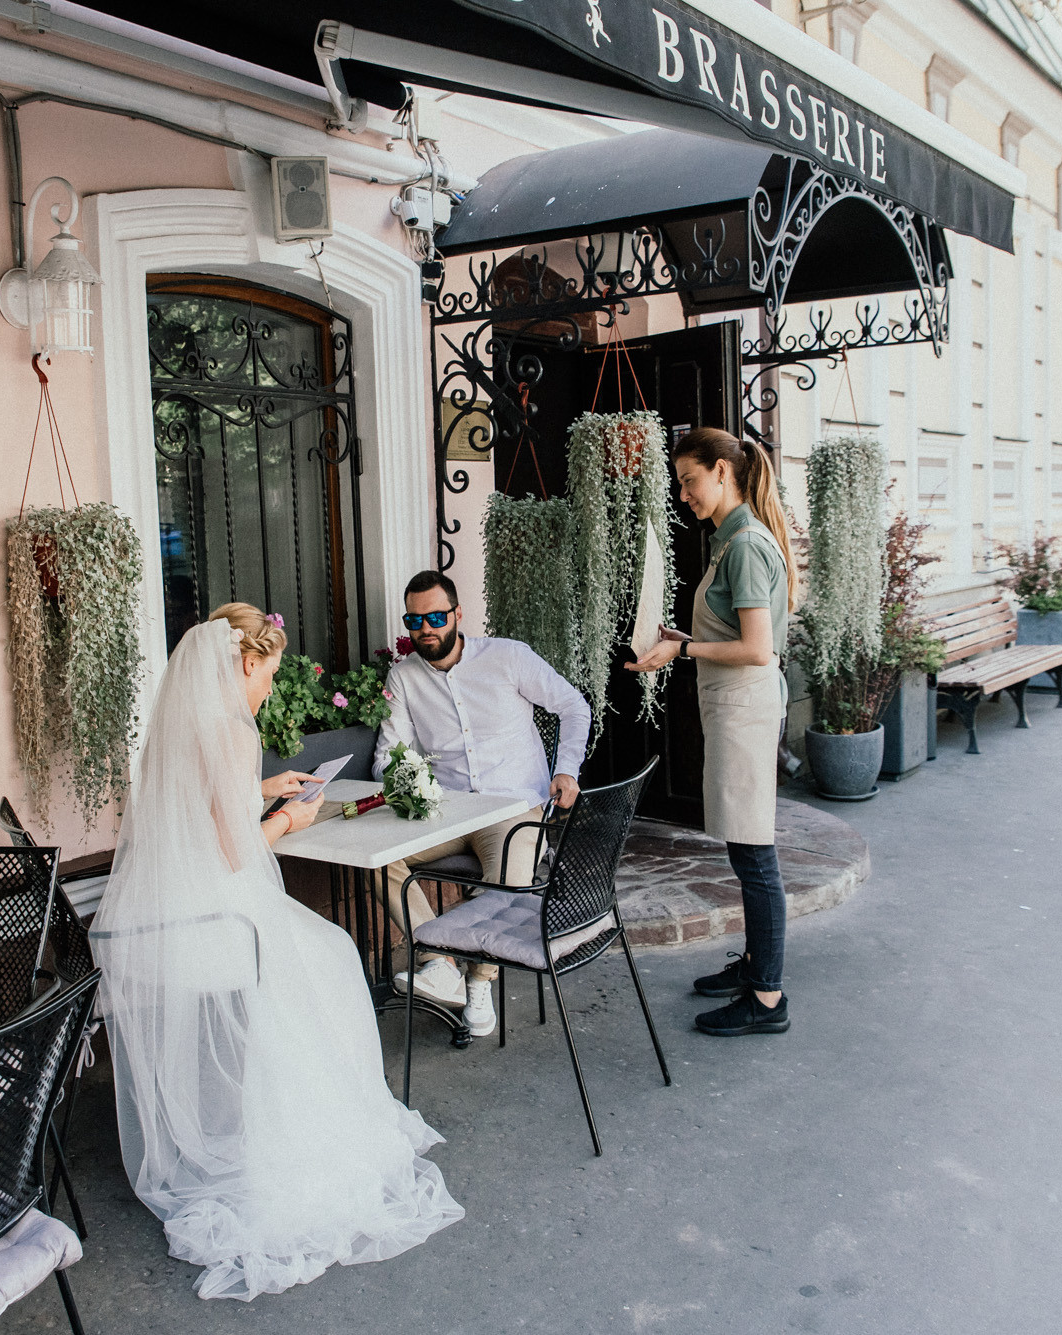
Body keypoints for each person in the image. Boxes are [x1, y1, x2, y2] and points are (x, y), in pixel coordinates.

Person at [89, 603, 462, 1301]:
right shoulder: (231, 725)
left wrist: (260, 789)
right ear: (245, 663)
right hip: (212, 913)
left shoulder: (186, 721)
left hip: (162, 907)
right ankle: (288, 1129)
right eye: (271, 672)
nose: (268, 687)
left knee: (321, 948)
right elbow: (235, 852)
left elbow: (193, 804)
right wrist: (290, 817)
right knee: (332, 950)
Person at [625, 427, 798, 1037]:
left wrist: (682, 649)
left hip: (745, 710)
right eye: (679, 482)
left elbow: (756, 649)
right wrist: (681, 640)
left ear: (723, 472)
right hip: (736, 708)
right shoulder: (734, 542)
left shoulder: (745, 546)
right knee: (744, 846)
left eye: (689, 480)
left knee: (754, 855)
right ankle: (755, 966)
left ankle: (768, 999)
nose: (683, 494)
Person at [374, 570, 590, 1038]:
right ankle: (439, 965)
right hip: (446, 811)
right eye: (416, 620)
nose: (426, 628)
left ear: (457, 614)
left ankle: (479, 981)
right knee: (376, 860)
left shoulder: (508, 657)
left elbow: (574, 707)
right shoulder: (404, 677)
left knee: (507, 877)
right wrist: (404, 782)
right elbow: (390, 757)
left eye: (435, 616)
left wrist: (566, 769)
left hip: (511, 808)